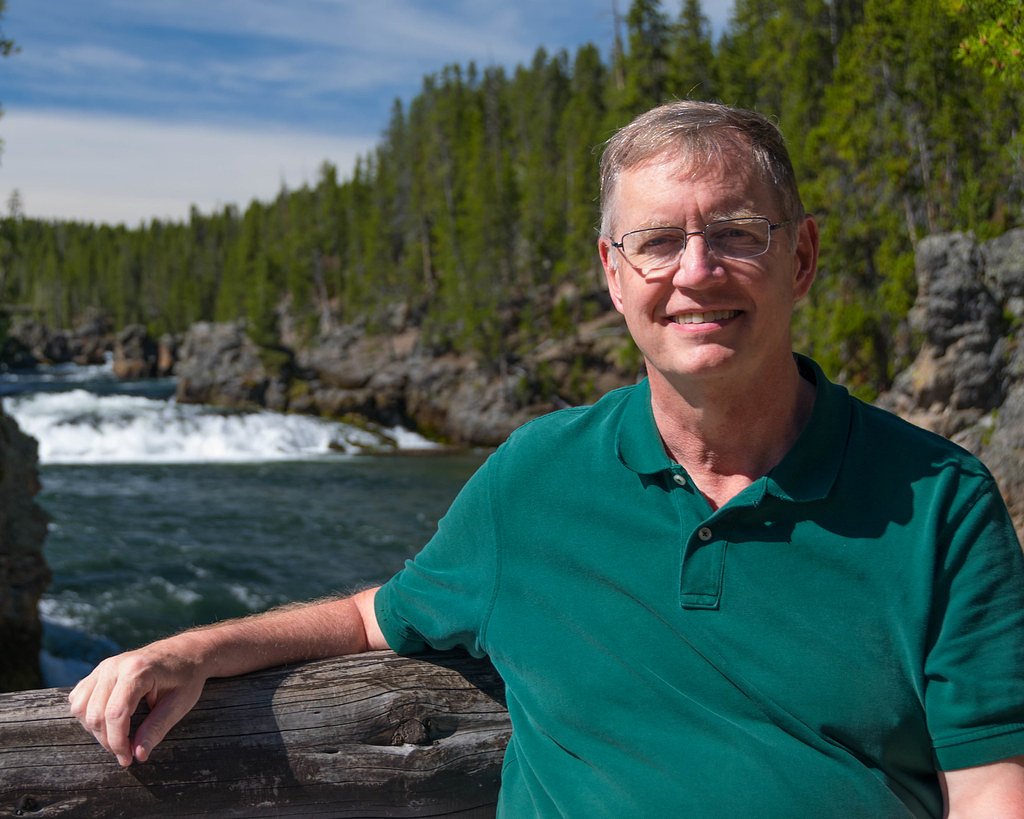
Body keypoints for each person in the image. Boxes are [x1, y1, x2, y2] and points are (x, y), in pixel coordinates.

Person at [69, 101, 1024, 817]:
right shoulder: (535, 478)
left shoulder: (939, 504)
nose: (695, 272)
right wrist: (188, 649)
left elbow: (990, 788)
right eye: (657, 243)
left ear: (803, 258)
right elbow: (375, 616)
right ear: (615, 274)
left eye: (736, 234)